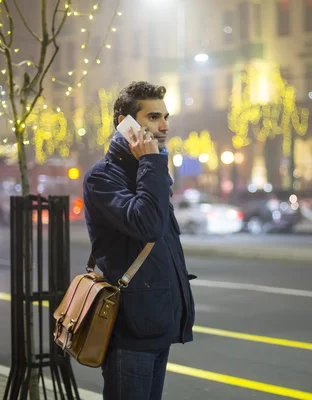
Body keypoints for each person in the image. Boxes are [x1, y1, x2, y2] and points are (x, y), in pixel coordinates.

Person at [83, 81, 196, 400]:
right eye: (153, 117)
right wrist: (152, 161)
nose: (165, 126)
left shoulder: (149, 172)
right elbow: (146, 225)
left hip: (157, 323)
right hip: (131, 330)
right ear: (126, 124)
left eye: (166, 116)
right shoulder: (103, 176)